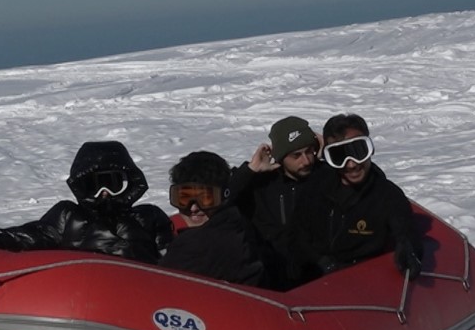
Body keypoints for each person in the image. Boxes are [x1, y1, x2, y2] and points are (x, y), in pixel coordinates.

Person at [0, 140, 172, 263]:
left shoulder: (148, 217)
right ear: (81, 187)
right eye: (93, 186)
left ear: (129, 183)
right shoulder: (68, 216)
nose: (104, 193)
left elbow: (173, 260)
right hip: (83, 300)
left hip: (138, 300)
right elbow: (18, 238)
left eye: (112, 183)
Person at [288, 113, 422, 283]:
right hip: (312, 282)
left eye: (358, 152)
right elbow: (296, 235)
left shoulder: (387, 195)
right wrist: (321, 262)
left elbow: (406, 231)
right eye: (339, 156)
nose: (351, 164)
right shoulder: (315, 187)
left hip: (362, 284)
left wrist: (409, 249)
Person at [227, 116, 321, 286]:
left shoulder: (324, 177)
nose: (306, 160)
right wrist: (250, 171)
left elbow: (371, 185)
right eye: (296, 155)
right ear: (280, 157)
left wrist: (332, 157)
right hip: (269, 280)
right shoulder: (260, 184)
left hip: (317, 278)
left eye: (309, 151)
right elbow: (220, 201)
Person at [159, 151, 273, 287]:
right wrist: (248, 170)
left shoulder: (193, 247)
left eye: (206, 198)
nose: (193, 208)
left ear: (222, 197)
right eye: (183, 198)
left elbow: (157, 285)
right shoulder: (237, 219)